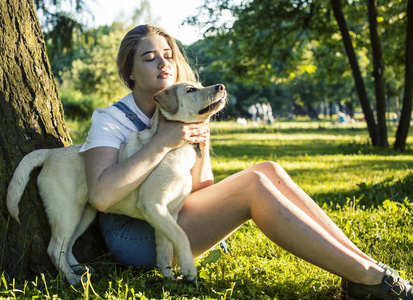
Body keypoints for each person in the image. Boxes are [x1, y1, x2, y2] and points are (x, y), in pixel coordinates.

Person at [79, 24, 413, 300]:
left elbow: (200, 191)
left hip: (176, 215)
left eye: (168, 55)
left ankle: (366, 267)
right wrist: (162, 144)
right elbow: (101, 195)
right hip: (135, 237)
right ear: (131, 72)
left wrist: (199, 147)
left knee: (269, 170)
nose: (163, 63)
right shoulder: (111, 120)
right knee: (253, 186)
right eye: (150, 58)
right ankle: (368, 280)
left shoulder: (186, 110)